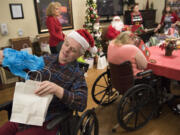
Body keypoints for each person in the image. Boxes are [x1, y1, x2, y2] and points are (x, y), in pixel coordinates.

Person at [0, 29, 97, 135]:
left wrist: (57, 90)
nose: (66, 50)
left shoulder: (77, 75)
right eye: (66, 44)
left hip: (49, 120)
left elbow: (81, 103)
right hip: (27, 111)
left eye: (73, 50)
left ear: (79, 55)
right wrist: (6, 59)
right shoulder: (46, 59)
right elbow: (26, 66)